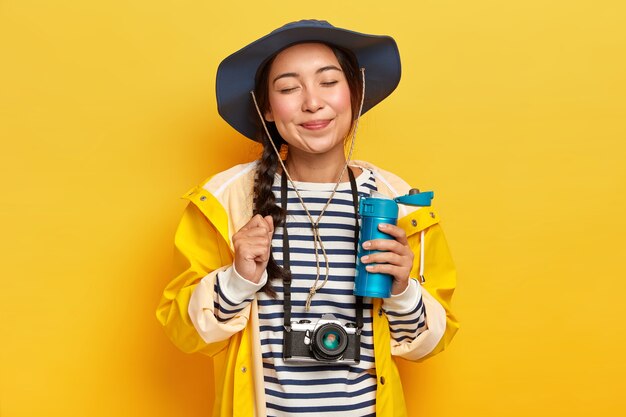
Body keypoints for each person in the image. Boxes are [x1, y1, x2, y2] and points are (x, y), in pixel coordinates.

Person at [156, 20, 458, 417]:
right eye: (288, 88)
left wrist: (403, 291)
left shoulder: (400, 205)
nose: (312, 102)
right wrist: (238, 278)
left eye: (328, 82)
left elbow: (429, 345)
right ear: (266, 106)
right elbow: (186, 333)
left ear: (355, 92)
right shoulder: (224, 201)